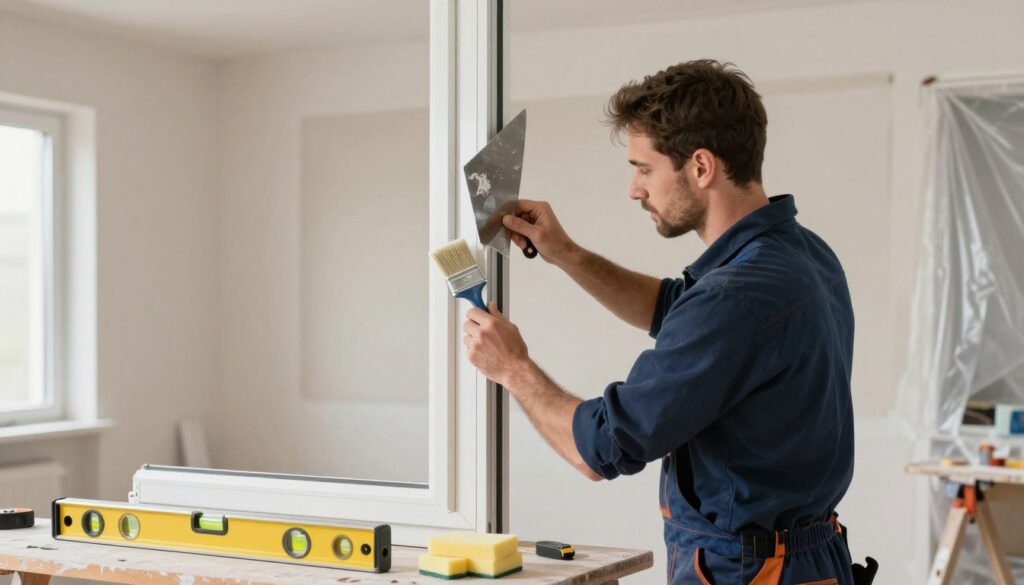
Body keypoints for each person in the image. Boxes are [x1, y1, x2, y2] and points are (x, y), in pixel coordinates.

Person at [462, 59, 858, 584]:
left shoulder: (734, 299)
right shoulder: (802, 253)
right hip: (807, 558)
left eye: (644, 168)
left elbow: (598, 449)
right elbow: (675, 308)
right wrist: (567, 254)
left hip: (747, 572)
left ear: (700, 167)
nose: (634, 189)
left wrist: (512, 368)